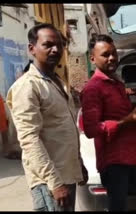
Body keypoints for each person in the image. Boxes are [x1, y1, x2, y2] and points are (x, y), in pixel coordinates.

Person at [6, 23, 88, 211]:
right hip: (50, 182)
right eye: (48, 44)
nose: (56, 50)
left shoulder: (56, 81)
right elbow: (29, 140)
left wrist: (79, 163)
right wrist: (54, 182)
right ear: (31, 48)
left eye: (59, 45)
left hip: (66, 175)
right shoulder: (27, 86)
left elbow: (62, 129)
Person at [80, 34, 136, 211]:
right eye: (105, 54)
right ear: (93, 58)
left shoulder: (117, 84)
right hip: (114, 162)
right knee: (118, 207)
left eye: (114, 53)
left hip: (134, 156)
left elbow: (128, 115)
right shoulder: (92, 89)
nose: (111, 58)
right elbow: (90, 129)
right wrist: (126, 122)